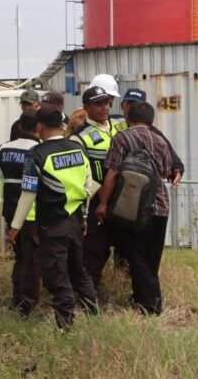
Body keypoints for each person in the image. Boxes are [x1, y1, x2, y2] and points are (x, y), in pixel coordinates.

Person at [7, 107, 98, 329]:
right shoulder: (77, 149)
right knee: (79, 272)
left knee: (56, 277)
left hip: (53, 225)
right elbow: (90, 184)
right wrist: (82, 214)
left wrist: (15, 226)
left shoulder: (36, 155)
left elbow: (28, 194)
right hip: (76, 221)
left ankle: (66, 329)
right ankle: (95, 318)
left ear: (39, 126)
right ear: (62, 125)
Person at [95, 102, 172, 315]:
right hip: (160, 207)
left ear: (128, 118)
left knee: (136, 256)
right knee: (151, 257)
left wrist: (103, 203)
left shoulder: (122, 137)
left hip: (133, 206)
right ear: (152, 121)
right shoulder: (160, 139)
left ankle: (151, 306)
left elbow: (112, 172)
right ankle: (141, 299)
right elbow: (165, 171)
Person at [69, 86, 125, 294]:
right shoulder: (79, 137)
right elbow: (80, 174)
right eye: (98, 104)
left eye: (107, 102)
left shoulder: (121, 124)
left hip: (125, 201)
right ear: (86, 108)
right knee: (95, 250)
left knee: (127, 248)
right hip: (97, 202)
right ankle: (90, 295)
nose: (105, 108)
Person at [0, 110, 41, 315]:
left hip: (9, 209)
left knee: (20, 257)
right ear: (38, 126)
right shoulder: (40, 150)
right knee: (32, 259)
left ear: (20, 126)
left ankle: (17, 297)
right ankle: (27, 304)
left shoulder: (2, 149)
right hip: (32, 213)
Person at [121, 88, 184, 189]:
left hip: (146, 188)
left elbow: (169, 151)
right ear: (122, 105)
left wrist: (177, 168)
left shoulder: (152, 132)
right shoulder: (113, 123)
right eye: (130, 104)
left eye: (137, 105)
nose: (132, 108)